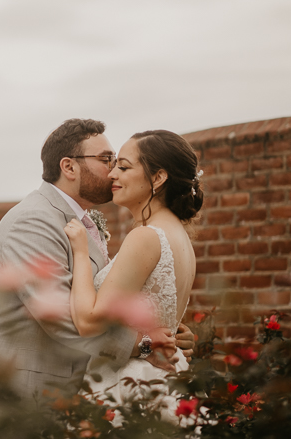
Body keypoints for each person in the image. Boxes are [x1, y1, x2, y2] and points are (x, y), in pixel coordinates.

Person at [0, 119, 194, 400]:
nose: (112, 171)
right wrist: (145, 345)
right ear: (69, 167)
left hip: (65, 392)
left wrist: (167, 333)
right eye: (106, 159)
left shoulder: (83, 223)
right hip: (21, 391)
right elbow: (61, 317)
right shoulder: (33, 220)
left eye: (118, 163)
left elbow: (105, 303)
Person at [63, 129, 203, 406]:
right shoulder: (179, 235)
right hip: (167, 378)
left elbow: (89, 321)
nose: (112, 174)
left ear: (158, 178)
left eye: (124, 167)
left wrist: (80, 252)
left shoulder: (146, 237)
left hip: (133, 384)